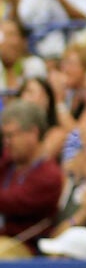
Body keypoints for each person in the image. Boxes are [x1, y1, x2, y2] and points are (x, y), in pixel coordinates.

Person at [0, 102, 61, 243]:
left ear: (33, 133)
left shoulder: (49, 175)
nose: (7, 142)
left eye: (11, 135)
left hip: (25, 246)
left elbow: (12, 202)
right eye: (4, 136)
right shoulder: (9, 163)